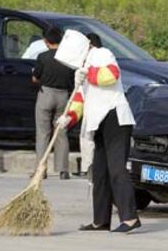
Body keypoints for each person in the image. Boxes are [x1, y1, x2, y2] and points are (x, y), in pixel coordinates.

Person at [58, 33, 140, 233]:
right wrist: (69, 117)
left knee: (116, 169)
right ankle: (100, 220)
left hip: (115, 118)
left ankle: (130, 218)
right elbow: (79, 100)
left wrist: (90, 73)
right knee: (99, 173)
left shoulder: (102, 54)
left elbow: (111, 76)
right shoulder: (82, 69)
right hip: (98, 122)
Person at [32, 26, 74, 180]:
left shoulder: (43, 57)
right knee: (61, 132)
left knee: (43, 133)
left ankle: (41, 169)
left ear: (46, 41)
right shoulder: (67, 58)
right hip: (63, 95)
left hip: (46, 94)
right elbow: (72, 79)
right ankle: (63, 170)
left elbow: (35, 78)